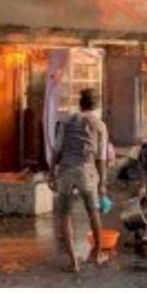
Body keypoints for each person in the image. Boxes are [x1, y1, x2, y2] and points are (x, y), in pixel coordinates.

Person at [50, 88, 109, 272]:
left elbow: (57, 150)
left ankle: (73, 262)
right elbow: (101, 157)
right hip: (87, 171)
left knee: (65, 214)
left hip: (66, 170)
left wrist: (52, 172)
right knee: (93, 212)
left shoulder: (66, 121)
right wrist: (103, 184)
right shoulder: (99, 125)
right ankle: (97, 254)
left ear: (80, 104)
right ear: (96, 104)